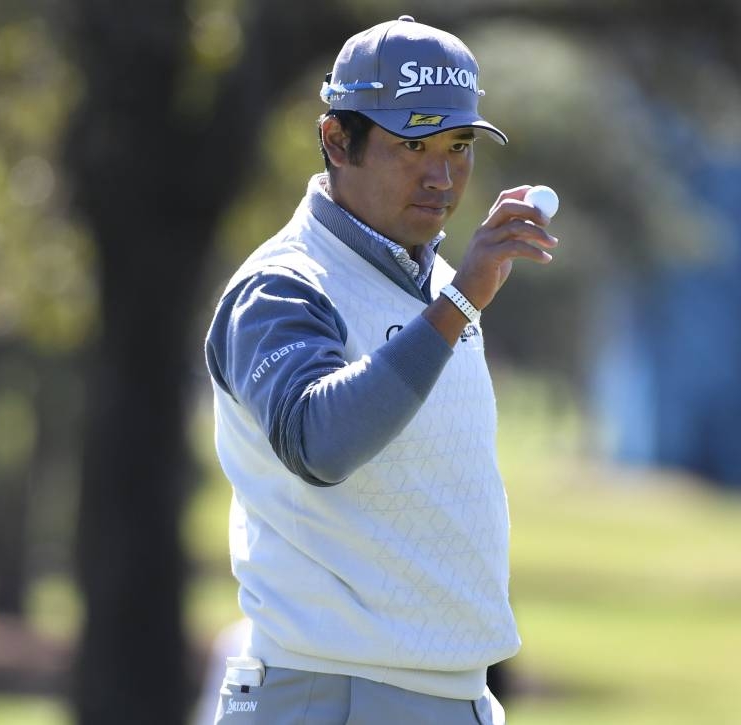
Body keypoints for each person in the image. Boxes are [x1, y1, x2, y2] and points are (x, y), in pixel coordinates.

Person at [204, 15, 557, 724]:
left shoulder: (438, 284)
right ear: (338, 139)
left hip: (443, 691)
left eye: (459, 146)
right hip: (328, 693)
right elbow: (321, 441)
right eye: (414, 144)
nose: (443, 174)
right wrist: (460, 302)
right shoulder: (283, 285)